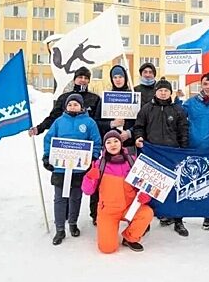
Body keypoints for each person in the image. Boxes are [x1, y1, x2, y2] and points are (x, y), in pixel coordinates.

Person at [29, 66, 103, 226]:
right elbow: (53, 119)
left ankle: (82, 219)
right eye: (80, 76)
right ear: (75, 78)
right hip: (62, 158)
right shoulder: (64, 98)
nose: (82, 80)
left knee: (80, 190)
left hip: (83, 157)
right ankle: (62, 220)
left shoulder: (94, 99)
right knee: (62, 193)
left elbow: (99, 122)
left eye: (86, 77)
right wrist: (39, 128)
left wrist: (94, 155)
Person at [42, 94, 102, 245]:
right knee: (60, 198)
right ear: (66, 106)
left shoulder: (89, 123)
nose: (73, 107)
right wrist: (47, 157)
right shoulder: (59, 122)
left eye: (76, 105)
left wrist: (93, 158)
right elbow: (49, 139)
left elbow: (96, 141)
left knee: (76, 197)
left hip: (79, 169)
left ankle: (73, 223)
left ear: (82, 107)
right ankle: (60, 229)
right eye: (70, 105)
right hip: (61, 168)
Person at [134, 78, 190, 237]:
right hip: (153, 154)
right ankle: (146, 220)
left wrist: (183, 151)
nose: (163, 93)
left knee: (176, 188)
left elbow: (184, 131)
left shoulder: (178, 109)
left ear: (170, 93)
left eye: (166, 90)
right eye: (160, 90)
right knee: (149, 188)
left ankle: (178, 220)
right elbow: (139, 127)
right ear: (156, 91)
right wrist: (138, 138)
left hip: (173, 154)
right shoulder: (146, 109)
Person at [81, 130, 153, 253]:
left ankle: (130, 237)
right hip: (108, 211)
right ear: (105, 146)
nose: (113, 144)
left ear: (121, 143)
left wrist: (145, 194)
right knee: (107, 248)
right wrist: (89, 178)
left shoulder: (133, 161)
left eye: (116, 141)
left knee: (146, 213)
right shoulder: (99, 164)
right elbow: (87, 191)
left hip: (129, 207)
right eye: (108, 142)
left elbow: (143, 184)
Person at [182, 72, 209, 230]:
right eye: (205, 84)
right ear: (201, 85)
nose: (208, 87)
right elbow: (178, 117)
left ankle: (208, 215)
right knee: (191, 183)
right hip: (193, 148)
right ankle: (182, 213)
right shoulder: (190, 103)